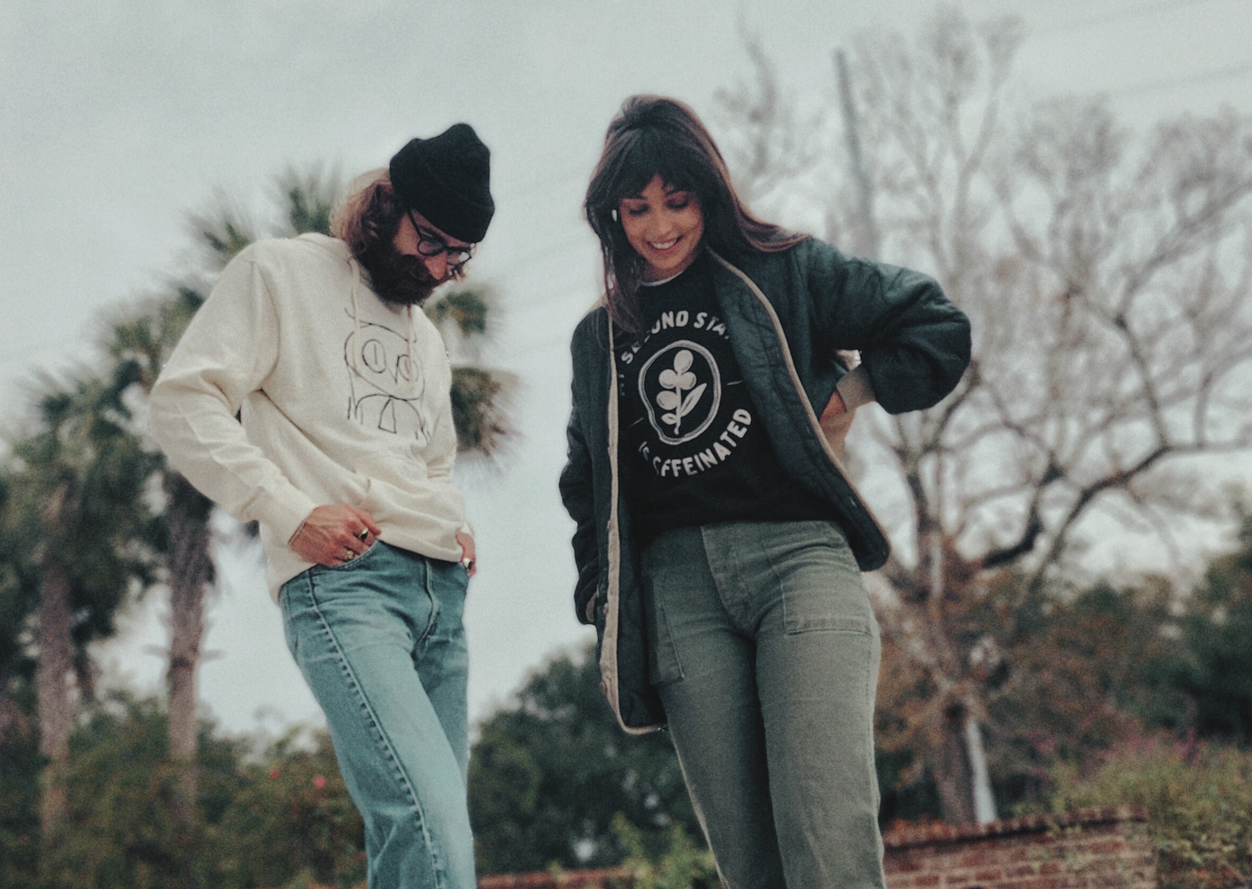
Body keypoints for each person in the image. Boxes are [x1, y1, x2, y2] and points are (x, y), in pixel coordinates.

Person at [559, 96, 970, 888]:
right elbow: (587, 480)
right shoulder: (596, 337)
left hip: (797, 561)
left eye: (678, 201)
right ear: (613, 214)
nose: (660, 226)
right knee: (752, 866)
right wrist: (601, 596)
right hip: (679, 594)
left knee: (826, 832)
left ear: (708, 192)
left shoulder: (786, 269)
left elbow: (934, 323)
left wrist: (849, 393)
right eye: (637, 209)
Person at [150, 123, 494, 889]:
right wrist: (288, 508)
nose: (439, 266)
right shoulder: (279, 273)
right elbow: (184, 401)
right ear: (387, 204)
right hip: (348, 583)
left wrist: (455, 520)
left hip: (441, 593)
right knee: (429, 823)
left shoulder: (427, 338)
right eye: (431, 240)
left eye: (457, 255)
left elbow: (433, 455)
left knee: (422, 841)